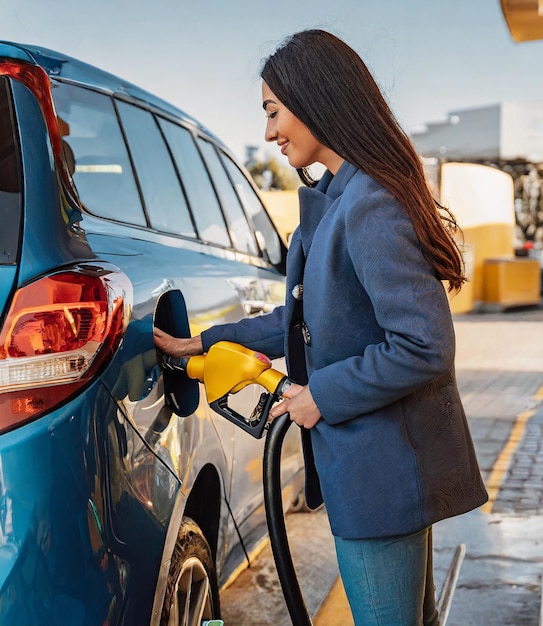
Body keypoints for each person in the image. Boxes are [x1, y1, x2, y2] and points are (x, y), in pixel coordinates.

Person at [154, 29, 488, 626]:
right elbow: (302, 318)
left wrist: (320, 396)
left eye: (274, 111)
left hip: (382, 476)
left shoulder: (370, 205)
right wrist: (206, 341)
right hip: (372, 468)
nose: (269, 132)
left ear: (316, 101)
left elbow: (424, 345)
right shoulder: (341, 198)